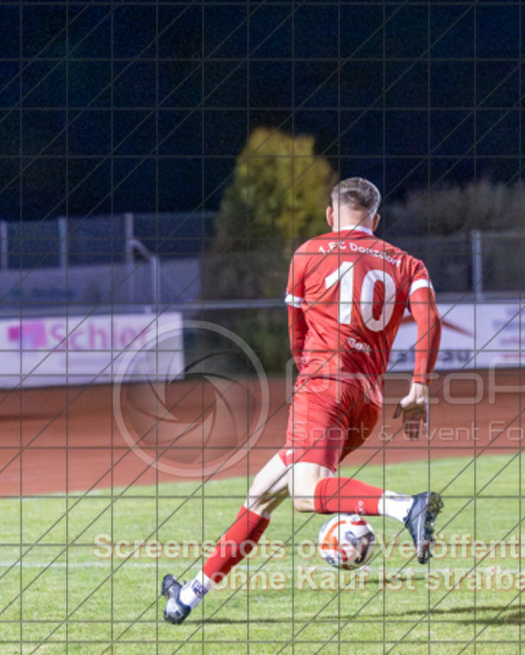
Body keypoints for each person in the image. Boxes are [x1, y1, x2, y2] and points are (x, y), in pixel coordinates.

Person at [161, 177, 443, 624]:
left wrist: (311, 381)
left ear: (331, 215)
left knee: (306, 495)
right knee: (261, 496)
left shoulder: (310, 253)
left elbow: (296, 333)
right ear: (377, 218)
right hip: (366, 400)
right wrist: (420, 386)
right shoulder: (409, 264)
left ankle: (405, 506)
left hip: (322, 389)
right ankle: (188, 596)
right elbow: (429, 320)